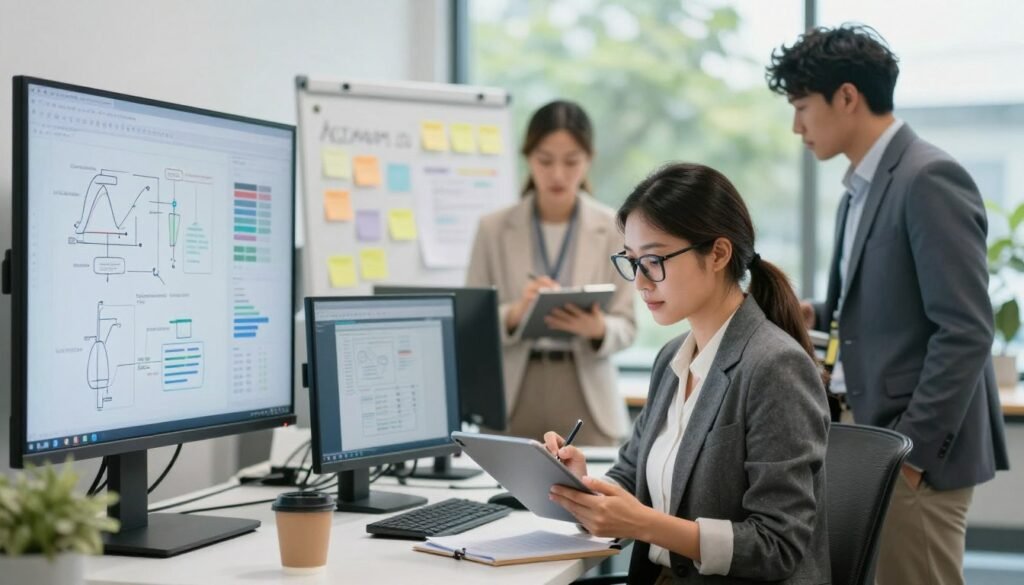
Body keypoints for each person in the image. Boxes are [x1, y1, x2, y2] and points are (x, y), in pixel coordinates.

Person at [766, 24, 1009, 585]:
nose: (796, 126)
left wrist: (913, 455)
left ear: (847, 97)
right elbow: (894, 299)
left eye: (802, 106)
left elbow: (968, 329)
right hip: (869, 436)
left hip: (911, 451)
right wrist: (821, 313)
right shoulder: (862, 185)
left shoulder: (928, 177)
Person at [545, 163, 831, 583]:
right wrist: (581, 484)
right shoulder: (671, 359)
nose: (640, 282)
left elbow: (777, 546)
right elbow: (632, 478)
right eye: (632, 261)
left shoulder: (774, 367)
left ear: (717, 253)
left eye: (655, 260)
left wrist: (642, 523)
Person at [466, 100, 635, 446]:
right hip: (514, 391)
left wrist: (598, 329)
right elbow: (472, 322)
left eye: (571, 161)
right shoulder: (493, 228)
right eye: (545, 160)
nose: (558, 174)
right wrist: (514, 314)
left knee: (591, 495)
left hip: (585, 390)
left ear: (589, 159)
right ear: (528, 157)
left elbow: (628, 324)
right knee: (496, 496)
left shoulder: (615, 227)